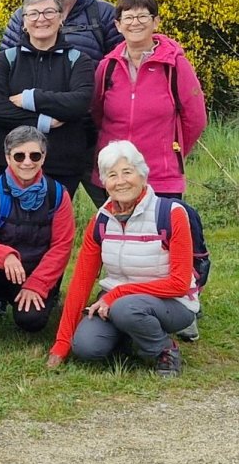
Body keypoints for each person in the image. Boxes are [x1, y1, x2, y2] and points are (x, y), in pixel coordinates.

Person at [47, 141, 198, 377]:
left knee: (127, 309)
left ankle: (165, 349)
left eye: (127, 172)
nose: (120, 181)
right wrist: (62, 343)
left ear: (142, 175)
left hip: (172, 302)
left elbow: (179, 283)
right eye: (112, 175)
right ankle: (130, 337)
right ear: (104, 183)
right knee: (86, 347)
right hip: (116, 302)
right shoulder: (100, 221)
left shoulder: (171, 214)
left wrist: (118, 294)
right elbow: (81, 282)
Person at [0, 126, 74, 359]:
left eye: (35, 155)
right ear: (7, 158)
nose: (27, 162)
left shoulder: (58, 194)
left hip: (36, 273)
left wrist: (37, 284)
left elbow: (62, 246)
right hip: (0, 270)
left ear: (43, 157)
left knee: (31, 322)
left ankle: (43, 298)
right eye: (19, 156)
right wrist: (6, 256)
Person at [92, 0, 206, 201]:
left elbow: (195, 119)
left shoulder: (175, 65)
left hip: (161, 177)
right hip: (115, 177)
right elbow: (97, 115)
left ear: (156, 22)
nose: (135, 23)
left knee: (163, 223)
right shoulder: (107, 67)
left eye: (143, 16)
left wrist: (169, 153)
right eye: (128, 17)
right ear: (118, 25)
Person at [0, 0, 95, 197]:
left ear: (61, 18)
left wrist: (31, 98)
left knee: (54, 218)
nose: (41, 19)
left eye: (49, 12)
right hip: (6, 163)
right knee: (6, 217)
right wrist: (45, 121)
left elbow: (79, 103)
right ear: (24, 22)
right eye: (33, 13)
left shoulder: (79, 60)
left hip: (61, 164)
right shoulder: (5, 60)